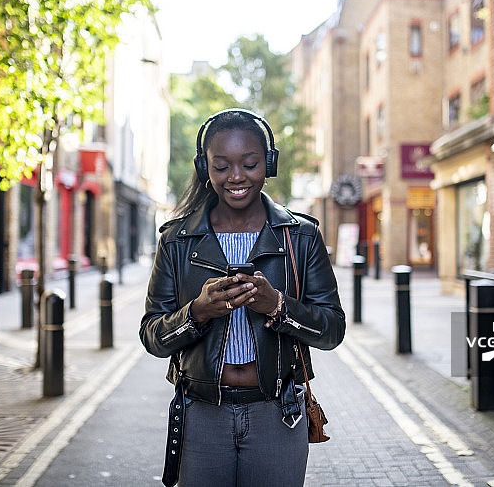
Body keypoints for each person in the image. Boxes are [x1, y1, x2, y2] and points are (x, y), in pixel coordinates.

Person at [140, 108, 345, 487]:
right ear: (205, 168)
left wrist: (278, 306)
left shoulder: (300, 237)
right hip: (202, 416)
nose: (236, 177)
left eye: (249, 164)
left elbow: (332, 330)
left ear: (268, 164)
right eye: (221, 166)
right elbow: (152, 336)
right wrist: (197, 313)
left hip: (278, 415)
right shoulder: (176, 241)